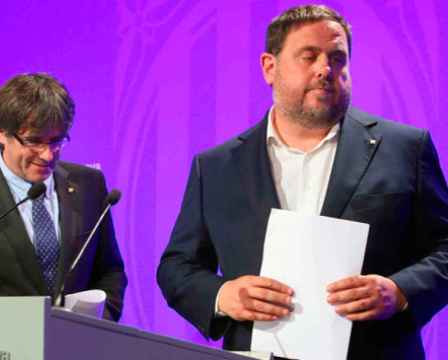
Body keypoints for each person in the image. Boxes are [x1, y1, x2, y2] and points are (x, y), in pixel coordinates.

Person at [157, 4, 448, 358]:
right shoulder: (217, 167)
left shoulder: (405, 148)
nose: (326, 69)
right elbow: (176, 268)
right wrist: (223, 296)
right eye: (308, 57)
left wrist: (400, 291)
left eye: (338, 58)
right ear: (269, 67)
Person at [0, 73, 127, 321]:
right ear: (1, 133)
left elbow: (110, 271)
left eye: (56, 141)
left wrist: (100, 325)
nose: (48, 154)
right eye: (34, 141)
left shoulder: (89, 185)